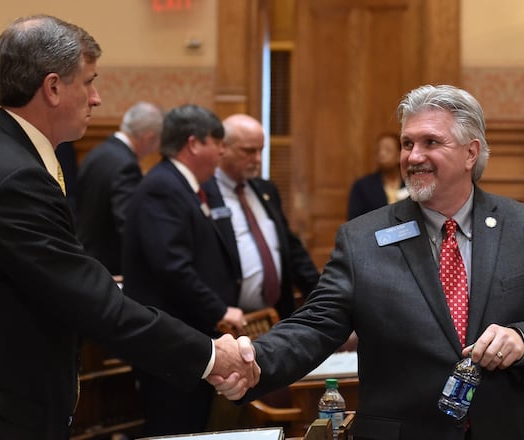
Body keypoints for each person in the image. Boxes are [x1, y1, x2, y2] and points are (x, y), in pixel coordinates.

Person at [0, 16, 257, 440]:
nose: (97, 98)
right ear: (52, 88)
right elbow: (93, 302)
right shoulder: (14, 177)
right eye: (89, 82)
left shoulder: (7, 156)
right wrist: (211, 356)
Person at [212, 84, 524, 440]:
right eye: (407, 143)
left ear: (470, 153)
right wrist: (254, 360)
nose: (413, 157)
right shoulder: (363, 239)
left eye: (431, 142)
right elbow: (314, 326)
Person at [122, 104, 243, 436]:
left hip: (188, 340)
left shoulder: (184, 185)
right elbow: (172, 266)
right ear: (193, 144)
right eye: (217, 142)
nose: (222, 151)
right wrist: (220, 310)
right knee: (176, 428)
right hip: (170, 345)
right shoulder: (162, 187)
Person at [201, 114, 320, 319]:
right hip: (226, 321)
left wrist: (323, 297)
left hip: (276, 316)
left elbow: (291, 250)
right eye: (248, 151)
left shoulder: (265, 189)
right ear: (223, 148)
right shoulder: (202, 193)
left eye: (260, 150)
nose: (257, 159)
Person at [76, 101, 163, 276]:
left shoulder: (96, 152)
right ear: (149, 137)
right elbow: (128, 222)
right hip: (109, 268)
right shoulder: (126, 166)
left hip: (84, 255)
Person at [347, 133, 408, 220]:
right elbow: (354, 220)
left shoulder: (409, 182)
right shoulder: (362, 186)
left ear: (399, 155)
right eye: (378, 150)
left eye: (387, 150)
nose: (381, 153)